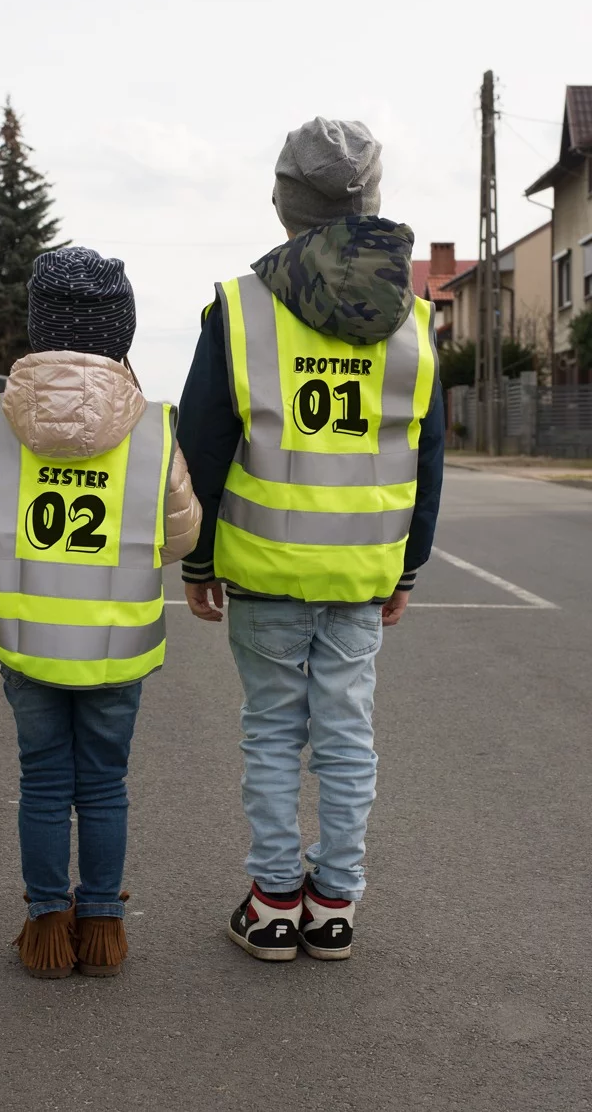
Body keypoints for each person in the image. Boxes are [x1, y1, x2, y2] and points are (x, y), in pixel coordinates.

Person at [177, 118, 444, 962]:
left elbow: (206, 443)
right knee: (347, 735)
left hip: (261, 566)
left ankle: (273, 901)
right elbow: (426, 451)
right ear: (370, 200)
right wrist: (407, 566)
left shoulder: (240, 306)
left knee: (270, 733)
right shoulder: (415, 317)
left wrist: (196, 555)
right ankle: (335, 905)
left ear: (284, 202)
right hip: (361, 572)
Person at [0, 247, 201, 978]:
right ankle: (101, 927)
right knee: (101, 783)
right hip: (112, 648)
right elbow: (181, 535)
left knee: (42, 781)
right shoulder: (154, 429)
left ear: (39, 327)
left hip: (26, 643)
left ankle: (44, 925)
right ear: (121, 331)